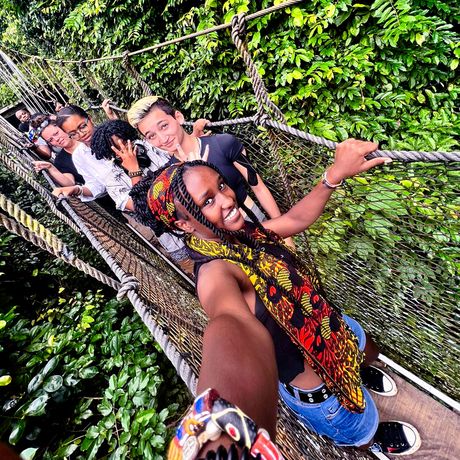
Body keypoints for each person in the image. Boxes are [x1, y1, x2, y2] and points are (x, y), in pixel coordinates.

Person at [130, 139, 421, 458]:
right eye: (208, 201)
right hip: (322, 392)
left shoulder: (241, 237)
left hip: (331, 330)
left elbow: (292, 221)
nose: (227, 199)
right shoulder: (215, 273)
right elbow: (230, 325)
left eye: (222, 185)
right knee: (360, 428)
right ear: (183, 224)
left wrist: (332, 176)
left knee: (364, 349)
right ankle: (374, 440)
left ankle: (358, 373)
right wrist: (214, 429)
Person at [126, 96, 283, 225]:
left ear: (178, 117)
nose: (162, 139)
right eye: (151, 136)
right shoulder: (170, 175)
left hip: (255, 221)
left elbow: (258, 187)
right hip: (222, 242)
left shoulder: (223, 144)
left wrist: (284, 231)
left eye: (164, 126)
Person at [29, 115, 84, 186]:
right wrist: (50, 168)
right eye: (50, 140)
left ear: (62, 128)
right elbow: (70, 183)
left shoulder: (87, 138)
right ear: (50, 144)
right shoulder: (60, 161)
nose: (56, 139)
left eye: (56, 133)